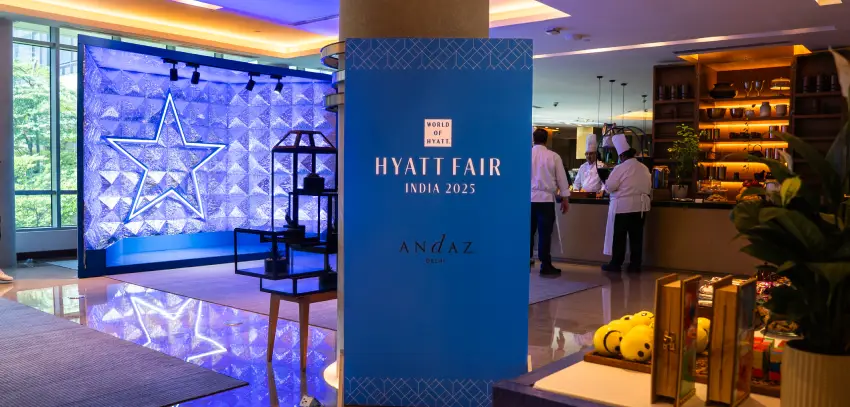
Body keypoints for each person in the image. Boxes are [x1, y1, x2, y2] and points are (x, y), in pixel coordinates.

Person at [601, 133, 651, 273]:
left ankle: (616, 264)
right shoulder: (643, 167)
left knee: (619, 237)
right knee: (636, 237)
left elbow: (610, 187)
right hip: (641, 207)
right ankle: (635, 264)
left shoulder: (620, 168)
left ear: (622, 156)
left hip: (623, 207)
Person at [531, 128, 570, 276]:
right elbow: (562, 179)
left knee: (528, 232)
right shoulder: (553, 156)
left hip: (528, 199)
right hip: (546, 200)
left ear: (533, 139)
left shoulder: (525, 154)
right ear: (546, 140)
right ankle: (545, 265)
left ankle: (524, 260)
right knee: (545, 234)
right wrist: (565, 199)